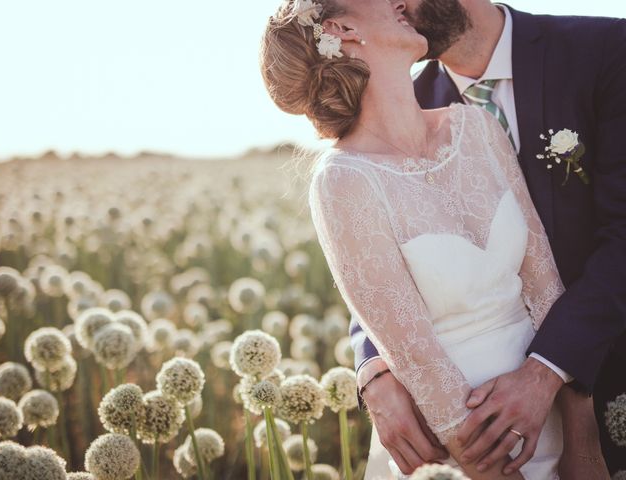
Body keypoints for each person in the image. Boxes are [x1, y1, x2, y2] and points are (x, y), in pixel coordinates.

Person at [260, 0, 613, 478]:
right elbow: (386, 311)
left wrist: (581, 440)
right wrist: (377, 372)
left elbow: (544, 282)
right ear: (341, 29)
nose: (393, 3)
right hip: (458, 439)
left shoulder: (475, 125)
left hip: (566, 403)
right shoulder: (342, 179)